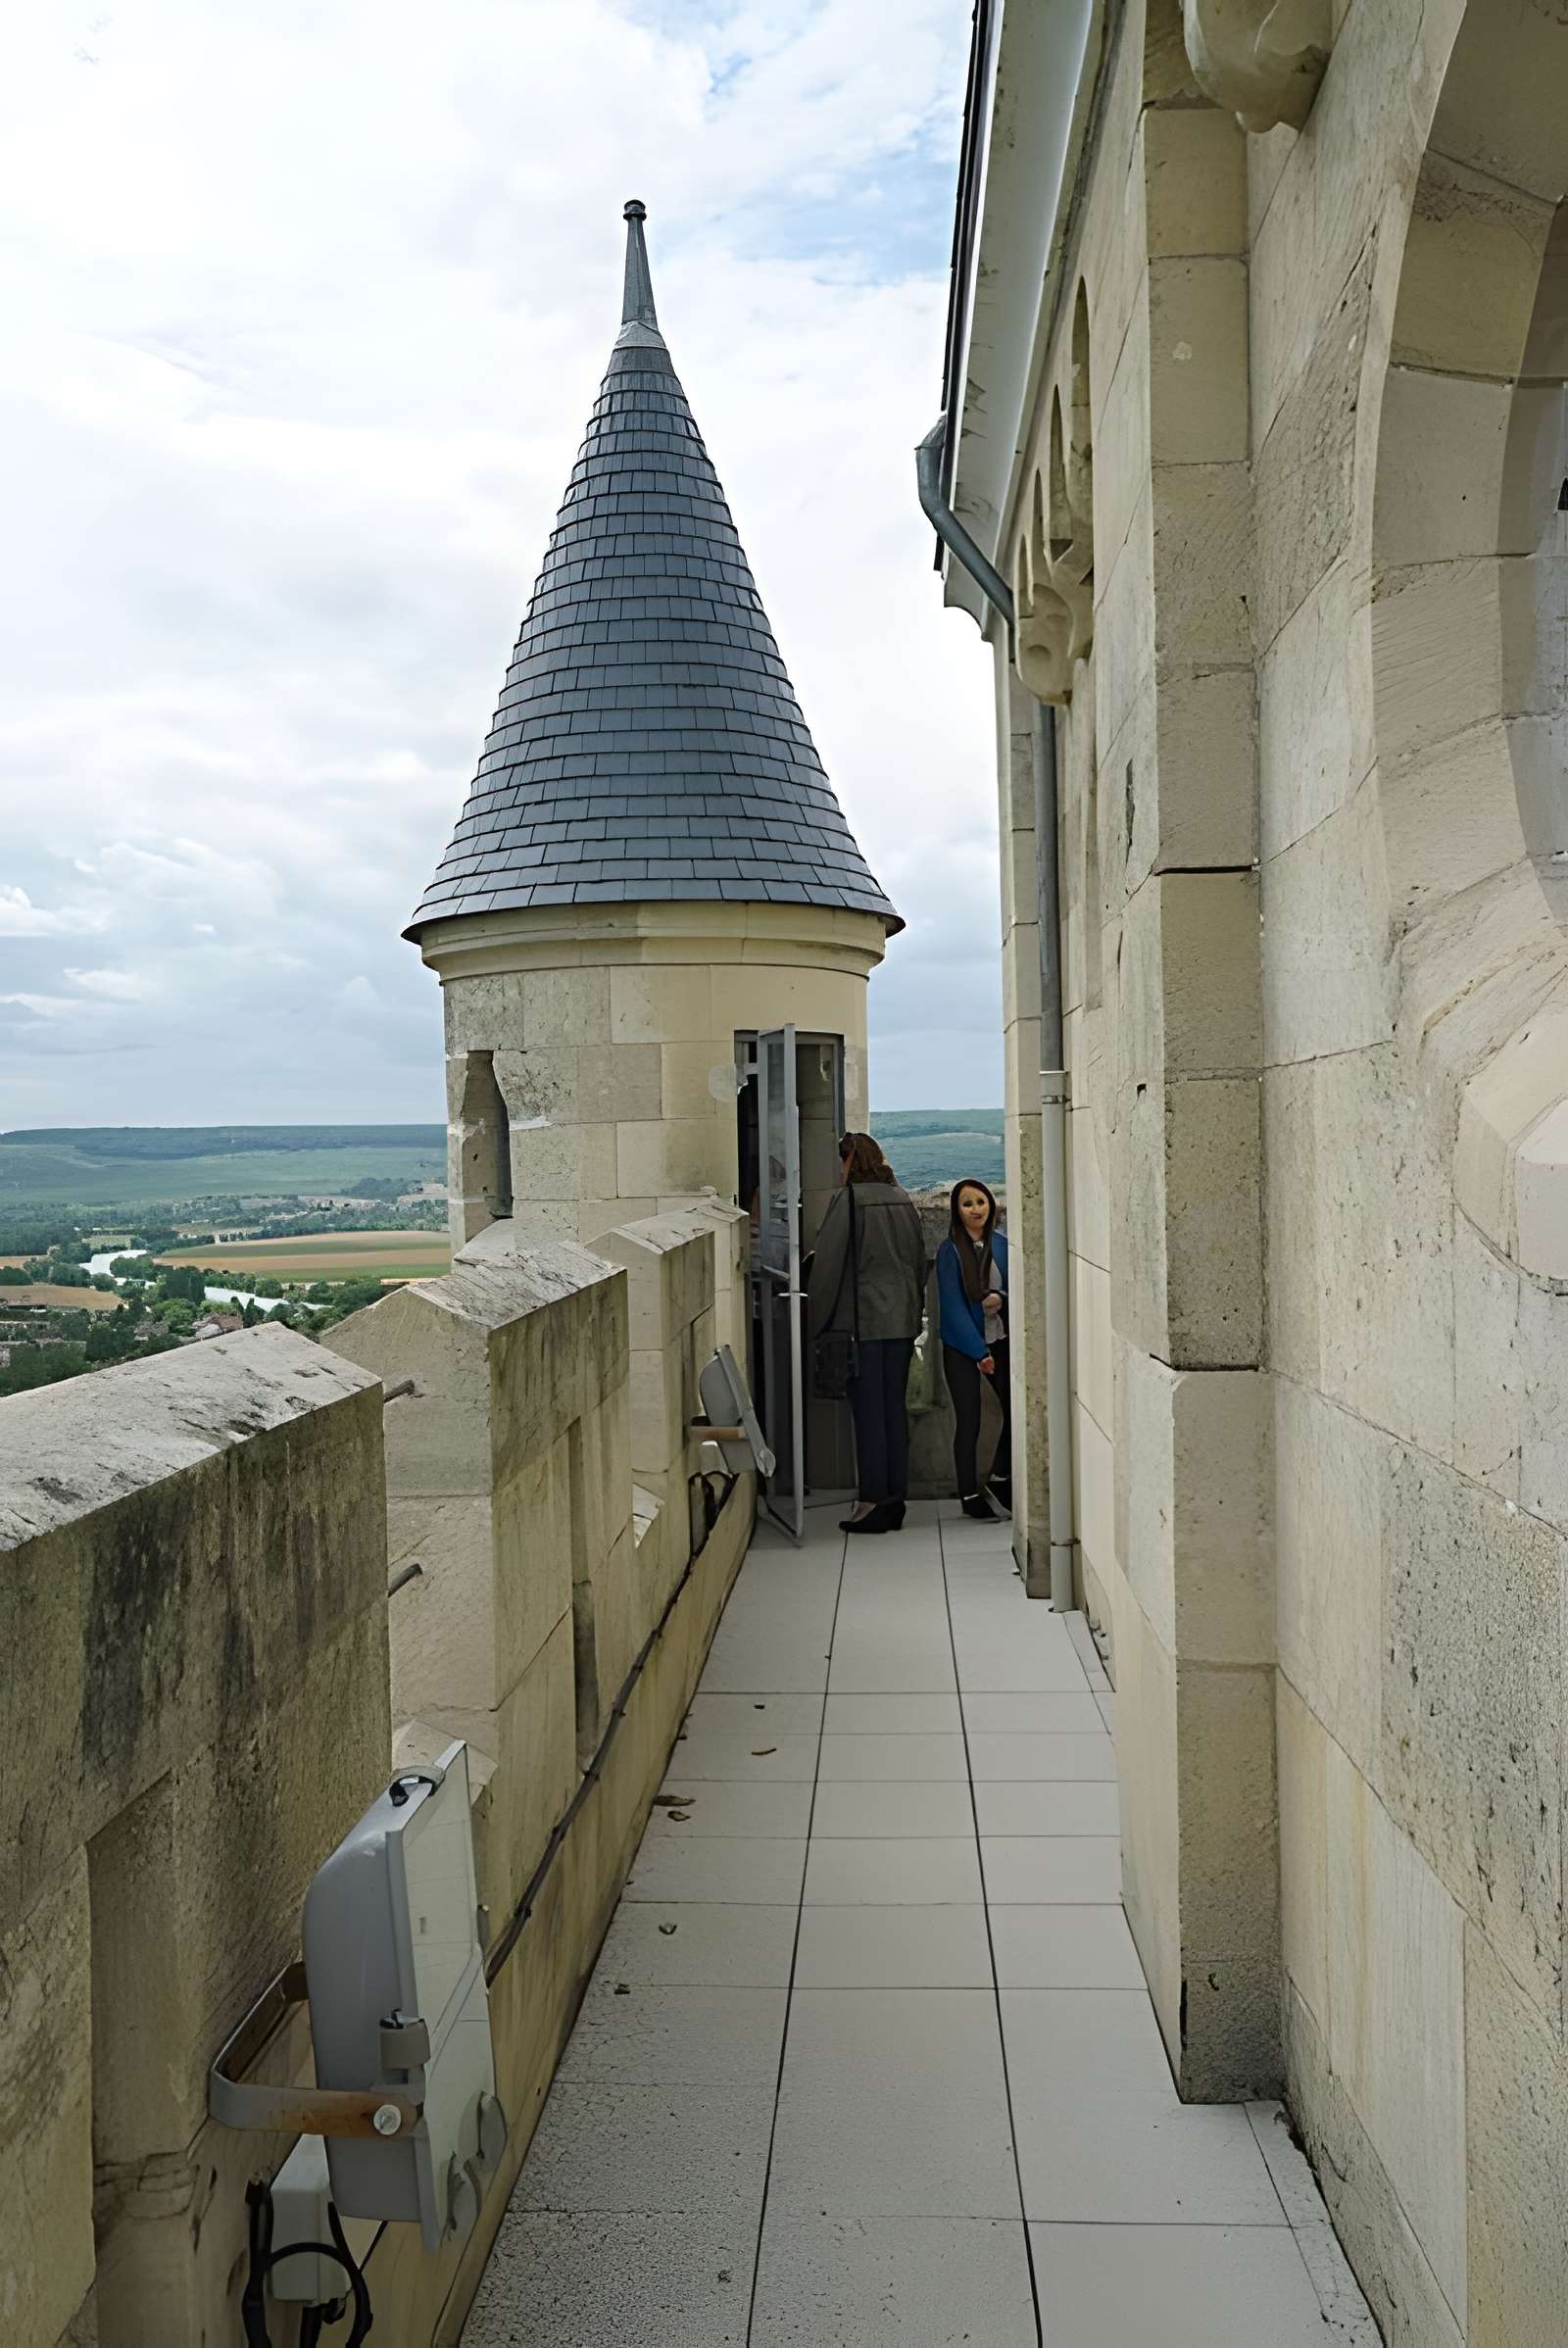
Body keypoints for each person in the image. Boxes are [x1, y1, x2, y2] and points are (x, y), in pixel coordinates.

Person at [806, 1131, 928, 1537]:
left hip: (864, 1325)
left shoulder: (850, 1200)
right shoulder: (903, 1198)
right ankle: (895, 1499)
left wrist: (815, 1321)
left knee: (870, 1417)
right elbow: (916, 1261)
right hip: (903, 1322)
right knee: (893, 1413)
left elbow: (827, 1269)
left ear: (849, 1160)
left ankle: (874, 1502)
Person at [937, 1177, 1011, 1520]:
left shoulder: (1003, 1245)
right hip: (963, 1348)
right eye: (967, 1204)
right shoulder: (949, 1250)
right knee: (969, 1421)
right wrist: (978, 1351)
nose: (975, 1209)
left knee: (1013, 1414)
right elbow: (951, 1306)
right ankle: (969, 1494)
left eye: (980, 1202)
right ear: (957, 1210)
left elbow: (1014, 1288)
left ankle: (1000, 1477)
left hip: (1001, 1340)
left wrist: (1001, 1297)